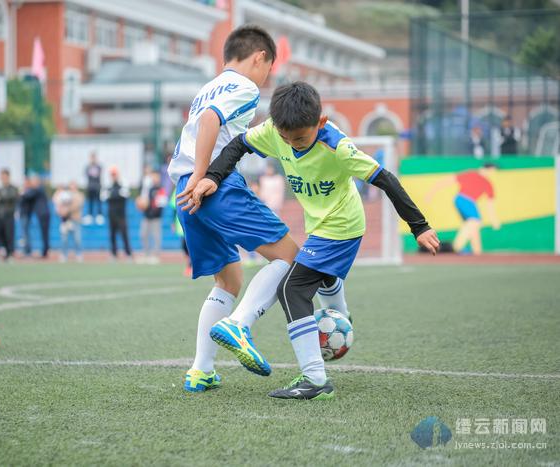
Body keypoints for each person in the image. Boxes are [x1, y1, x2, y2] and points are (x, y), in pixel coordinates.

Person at [183, 82, 440, 400]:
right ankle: (341, 315)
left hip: (343, 228)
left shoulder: (338, 147)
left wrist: (420, 227)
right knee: (320, 277)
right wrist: (212, 176)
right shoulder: (276, 132)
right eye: (287, 139)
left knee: (292, 289)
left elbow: (385, 179)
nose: (293, 145)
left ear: (320, 123)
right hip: (320, 227)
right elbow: (238, 144)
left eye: (301, 139)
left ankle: (315, 379)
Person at [171, 25, 300, 393]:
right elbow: (212, 120)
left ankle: (201, 370)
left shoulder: (207, 87)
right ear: (259, 56)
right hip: (213, 186)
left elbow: (203, 119)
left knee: (229, 280)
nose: (266, 77)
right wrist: (202, 176)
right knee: (290, 257)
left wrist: (191, 180)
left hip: (183, 191)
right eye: (268, 68)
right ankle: (239, 324)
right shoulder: (244, 87)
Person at [426, 164, 500, 255]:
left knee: (473, 227)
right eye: (490, 171)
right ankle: (457, 246)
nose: (491, 173)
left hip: (467, 202)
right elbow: (448, 181)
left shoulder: (488, 183)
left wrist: (494, 219)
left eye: (493, 172)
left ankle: (477, 252)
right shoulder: (471, 174)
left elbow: (490, 203)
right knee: (475, 221)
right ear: (483, 168)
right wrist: (431, 192)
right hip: (464, 199)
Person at [103, 166, 132, 261]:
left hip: (121, 214)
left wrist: (113, 194)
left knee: (124, 234)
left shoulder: (123, 183)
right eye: (112, 174)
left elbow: (125, 194)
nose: (113, 176)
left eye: (114, 174)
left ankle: (128, 254)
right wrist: (115, 194)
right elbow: (103, 196)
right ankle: (114, 254)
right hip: (111, 214)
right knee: (112, 234)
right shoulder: (108, 184)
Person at [138, 170, 167, 264]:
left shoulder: (161, 189)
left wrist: (155, 213)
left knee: (156, 236)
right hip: (146, 216)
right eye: (153, 177)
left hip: (156, 217)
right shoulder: (148, 189)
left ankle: (156, 255)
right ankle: (146, 254)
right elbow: (145, 201)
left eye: (156, 177)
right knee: (143, 234)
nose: (154, 179)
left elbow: (161, 204)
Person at [53, 181, 84, 262]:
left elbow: (77, 205)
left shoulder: (79, 195)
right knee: (64, 239)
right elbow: (57, 202)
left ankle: (78, 254)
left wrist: (66, 210)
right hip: (65, 220)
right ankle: (64, 254)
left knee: (77, 238)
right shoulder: (64, 194)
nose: (72, 188)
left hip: (75, 219)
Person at [21, 174, 50, 258]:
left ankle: (45, 251)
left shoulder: (38, 189)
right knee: (44, 233)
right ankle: (45, 251)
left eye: (34, 181)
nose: (32, 183)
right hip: (42, 214)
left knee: (44, 233)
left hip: (43, 214)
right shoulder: (37, 190)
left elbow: (27, 195)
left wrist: (22, 192)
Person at [0, 168, 19, 260]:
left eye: (5, 176)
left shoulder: (13, 188)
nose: (3, 178)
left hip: (9, 215)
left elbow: (12, 197)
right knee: (1, 234)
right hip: (0, 216)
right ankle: (3, 252)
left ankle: (10, 253)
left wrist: (2, 198)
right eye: (2, 177)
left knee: (9, 234)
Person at [84, 152, 103, 225]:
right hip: (90, 187)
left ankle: (99, 214)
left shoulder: (99, 166)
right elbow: (87, 174)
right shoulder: (88, 167)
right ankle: (90, 215)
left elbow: (98, 174)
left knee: (98, 201)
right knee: (90, 201)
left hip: (97, 187)